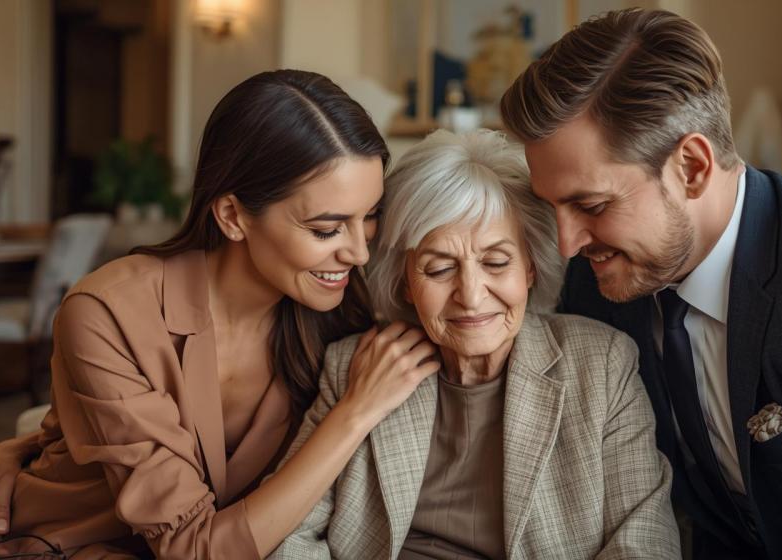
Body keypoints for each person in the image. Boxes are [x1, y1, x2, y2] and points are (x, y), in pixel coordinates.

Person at [498, 8, 782, 559]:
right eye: (552, 206)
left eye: (591, 205)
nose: (568, 242)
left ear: (692, 166)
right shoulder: (597, 285)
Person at [0, 70, 439, 559]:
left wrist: (17, 447)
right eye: (326, 229)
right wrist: (353, 415)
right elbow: (194, 549)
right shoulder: (107, 313)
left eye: (369, 217)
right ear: (233, 216)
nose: (360, 253)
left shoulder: (345, 312)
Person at [270, 129, 681, 559]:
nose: (470, 294)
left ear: (530, 267)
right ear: (405, 282)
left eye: (496, 262)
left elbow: (644, 540)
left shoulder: (602, 365)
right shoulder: (354, 364)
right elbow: (288, 535)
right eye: (439, 269)